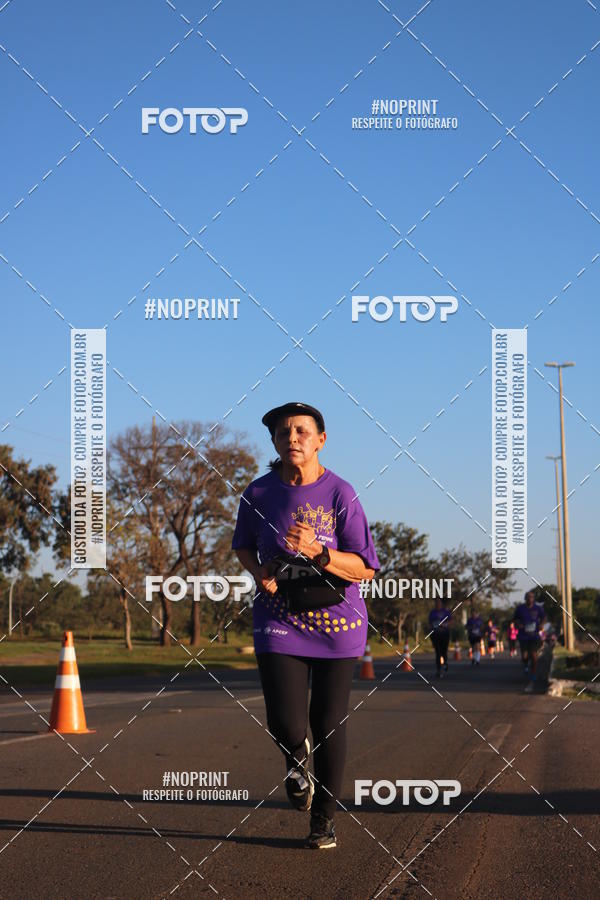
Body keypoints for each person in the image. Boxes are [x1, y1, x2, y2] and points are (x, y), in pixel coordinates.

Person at [232, 402, 380, 850]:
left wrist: (320, 552)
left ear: (321, 440)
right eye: (283, 433)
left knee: (329, 722)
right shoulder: (258, 494)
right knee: (285, 721)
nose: (292, 438)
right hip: (279, 618)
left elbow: (366, 568)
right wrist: (259, 572)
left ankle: (323, 820)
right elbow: (242, 546)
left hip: (338, 623)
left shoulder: (340, 493)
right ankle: (297, 759)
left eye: (301, 431)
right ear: (275, 443)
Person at [514, 590, 546, 686]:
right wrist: (518, 624)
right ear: (525, 598)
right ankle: (526, 664)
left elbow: (544, 617)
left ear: (533, 599)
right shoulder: (520, 608)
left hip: (534, 636)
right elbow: (515, 619)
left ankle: (533, 674)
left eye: (531, 597)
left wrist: (541, 624)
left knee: (534, 655)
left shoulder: (538, 608)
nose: (530, 599)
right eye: (528, 597)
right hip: (523, 636)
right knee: (524, 656)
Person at [428, 597, 452, 678]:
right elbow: (429, 623)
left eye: (439, 602)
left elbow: (451, 621)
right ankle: (438, 670)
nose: (437, 604)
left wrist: (445, 624)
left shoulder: (446, 612)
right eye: (436, 602)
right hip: (435, 635)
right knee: (438, 652)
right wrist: (432, 627)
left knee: (444, 651)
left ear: (441, 604)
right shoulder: (432, 613)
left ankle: (445, 662)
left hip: (444, 634)